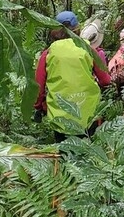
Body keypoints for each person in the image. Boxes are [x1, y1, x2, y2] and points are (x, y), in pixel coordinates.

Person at [34, 11, 111, 140]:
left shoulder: (48, 54)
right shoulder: (88, 49)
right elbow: (106, 80)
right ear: (78, 29)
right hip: (89, 114)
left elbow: (38, 88)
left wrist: (39, 106)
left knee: (65, 155)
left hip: (61, 117)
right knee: (89, 154)